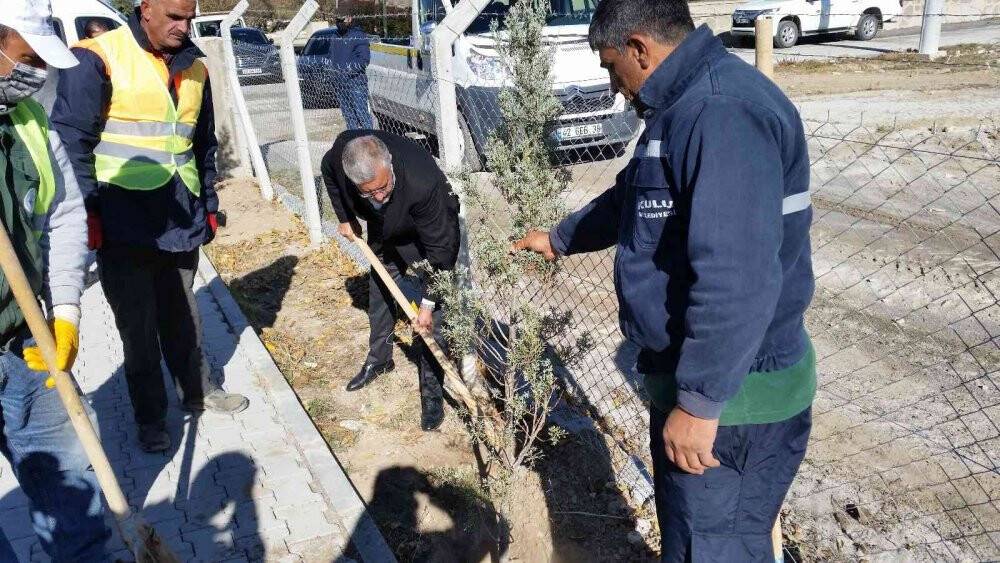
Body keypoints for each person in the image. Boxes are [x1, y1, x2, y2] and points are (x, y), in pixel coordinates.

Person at [513, 0, 815, 560]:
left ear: (638, 49)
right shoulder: (684, 109)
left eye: (610, 67)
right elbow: (636, 196)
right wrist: (561, 237)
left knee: (712, 548)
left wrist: (699, 405)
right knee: (697, 540)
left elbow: (737, 274)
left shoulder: (719, 113)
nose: (612, 86)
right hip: (714, 391)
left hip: (734, 404)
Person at [50, 0, 249, 454]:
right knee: (138, 329)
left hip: (180, 213)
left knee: (184, 313)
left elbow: (202, 144)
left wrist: (210, 205)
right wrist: (89, 216)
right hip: (123, 219)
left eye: (190, 18)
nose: (184, 27)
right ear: (146, 10)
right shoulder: (97, 57)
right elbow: (71, 145)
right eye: (175, 17)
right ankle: (151, 419)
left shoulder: (194, 66)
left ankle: (198, 391)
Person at [0, 1, 110, 559]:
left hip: (21, 343)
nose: (35, 73)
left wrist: (64, 311)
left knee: (75, 493)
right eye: (25, 58)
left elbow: (64, 215)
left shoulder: (27, 120)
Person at [322, 131, 460, 431]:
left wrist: (425, 305)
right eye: (368, 193)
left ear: (390, 164)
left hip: (426, 230)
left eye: (383, 187)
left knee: (434, 316)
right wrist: (345, 217)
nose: (379, 197)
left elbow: (442, 253)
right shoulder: (342, 155)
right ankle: (379, 359)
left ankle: (432, 393)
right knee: (380, 287)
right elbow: (327, 171)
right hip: (386, 229)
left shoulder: (424, 183)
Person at [329, 16, 373, 130]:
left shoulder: (358, 36)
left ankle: (370, 141)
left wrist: (346, 71)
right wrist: (334, 74)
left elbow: (364, 60)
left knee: (362, 116)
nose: (339, 23)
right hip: (339, 84)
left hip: (355, 82)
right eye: (337, 21)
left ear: (349, 19)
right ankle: (353, 142)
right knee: (349, 117)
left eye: (342, 20)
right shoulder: (335, 36)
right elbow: (332, 57)